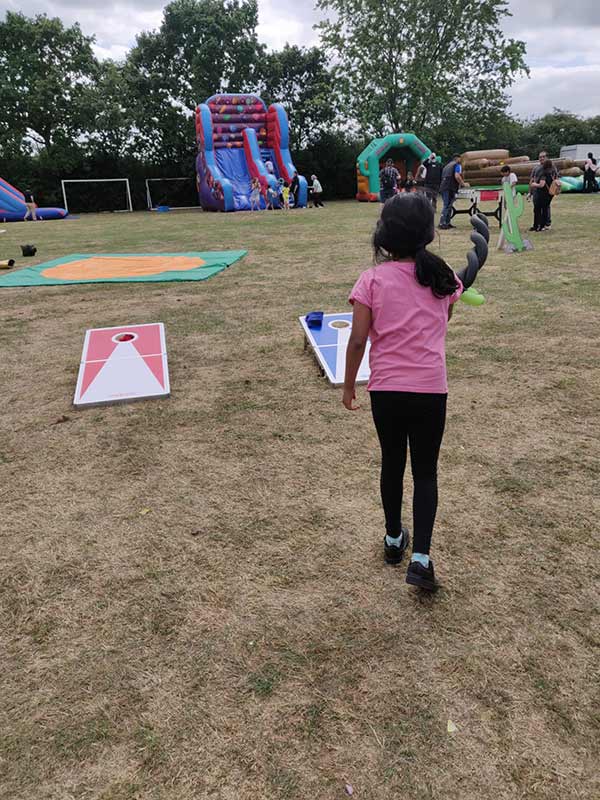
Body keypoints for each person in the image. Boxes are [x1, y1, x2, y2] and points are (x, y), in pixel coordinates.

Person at [343, 192, 464, 592]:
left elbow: (358, 340)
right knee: (425, 471)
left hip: (387, 391)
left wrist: (348, 388)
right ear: (428, 233)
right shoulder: (443, 276)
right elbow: (444, 316)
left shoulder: (371, 280)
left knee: (392, 463)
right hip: (431, 389)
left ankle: (394, 540)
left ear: (383, 235)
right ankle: (422, 559)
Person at [529, 151, 557, 228]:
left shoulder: (552, 167)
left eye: (543, 157)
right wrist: (530, 192)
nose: (541, 158)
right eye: (540, 157)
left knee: (545, 208)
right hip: (536, 191)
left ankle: (546, 224)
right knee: (537, 208)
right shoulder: (536, 168)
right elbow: (532, 179)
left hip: (547, 191)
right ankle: (538, 224)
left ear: (547, 157)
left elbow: (556, 178)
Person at [438, 154, 466, 229]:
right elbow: (457, 176)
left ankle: (447, 223)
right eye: (460, 159)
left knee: (448, 206)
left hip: (444, 186)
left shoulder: (447, 166)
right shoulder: (457, 165)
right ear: (457, 159)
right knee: (447, 205)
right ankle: (442, 223)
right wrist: (463, 184)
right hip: (450, 187)